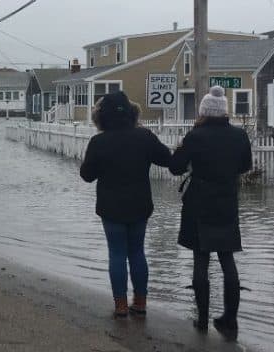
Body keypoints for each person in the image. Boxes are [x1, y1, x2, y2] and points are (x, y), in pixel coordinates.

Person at [169, 86, 253, 339]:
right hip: (227, 201)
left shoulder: (196, 136)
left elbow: (175, 168)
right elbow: (245, 166)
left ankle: (202, 319)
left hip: (199, 202)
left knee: (201, 259)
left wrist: (181, 150)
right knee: (227, 260)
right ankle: (230, 321)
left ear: (204, 111)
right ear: (224, 112)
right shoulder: (239, 136)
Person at [79, 91, 171, 319]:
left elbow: (87, 176)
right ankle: (140, 302)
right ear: (131, 113)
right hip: (140, 205)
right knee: (137, 252)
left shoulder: (99, 141)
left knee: (117, 253)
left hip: (111, 208)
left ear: (101, 117)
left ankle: (120, 305)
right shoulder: (145, 136)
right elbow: (167, 159)